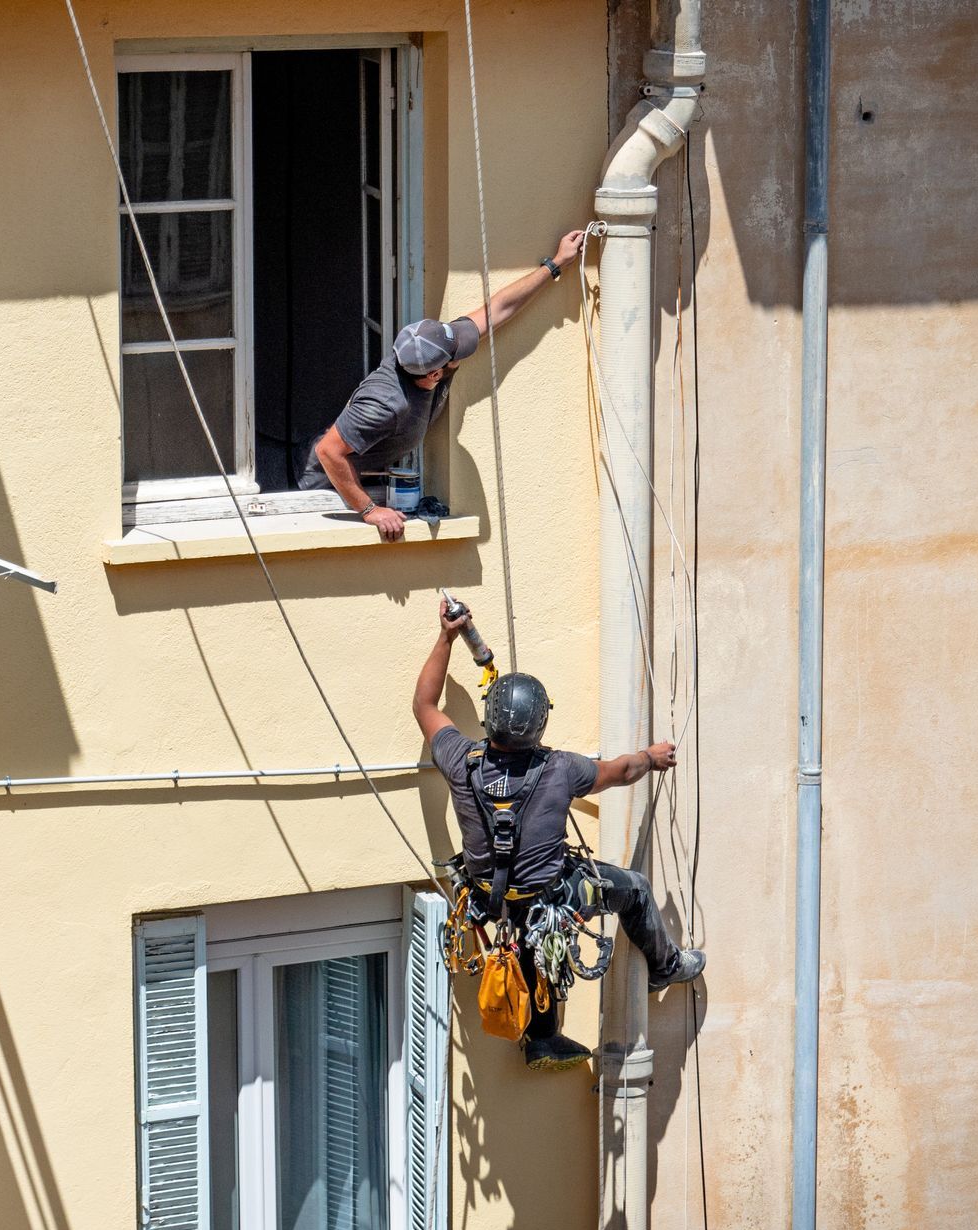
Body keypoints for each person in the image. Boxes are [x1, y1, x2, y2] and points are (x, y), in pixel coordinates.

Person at [413, 600, 705, 1070]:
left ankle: (544, 1037)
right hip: (551, 896)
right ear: (540, 726)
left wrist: (447, 636)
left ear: (489, 720)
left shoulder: (458, 760)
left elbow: (424, 704)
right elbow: (622, 770)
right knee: (633, 890)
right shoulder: (560, 769)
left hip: (489, 897)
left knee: (525, 931)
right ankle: (666, 967)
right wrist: (652, 757)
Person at [299, 230, 588, 541]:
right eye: (457, 355)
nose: (464, 348)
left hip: (359, 474)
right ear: (434, 375)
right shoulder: (387, 403)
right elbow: (328, 452)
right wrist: (369, 510)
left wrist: (556, 264)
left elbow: (497, 310)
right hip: (320, 488)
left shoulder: (426, 350)